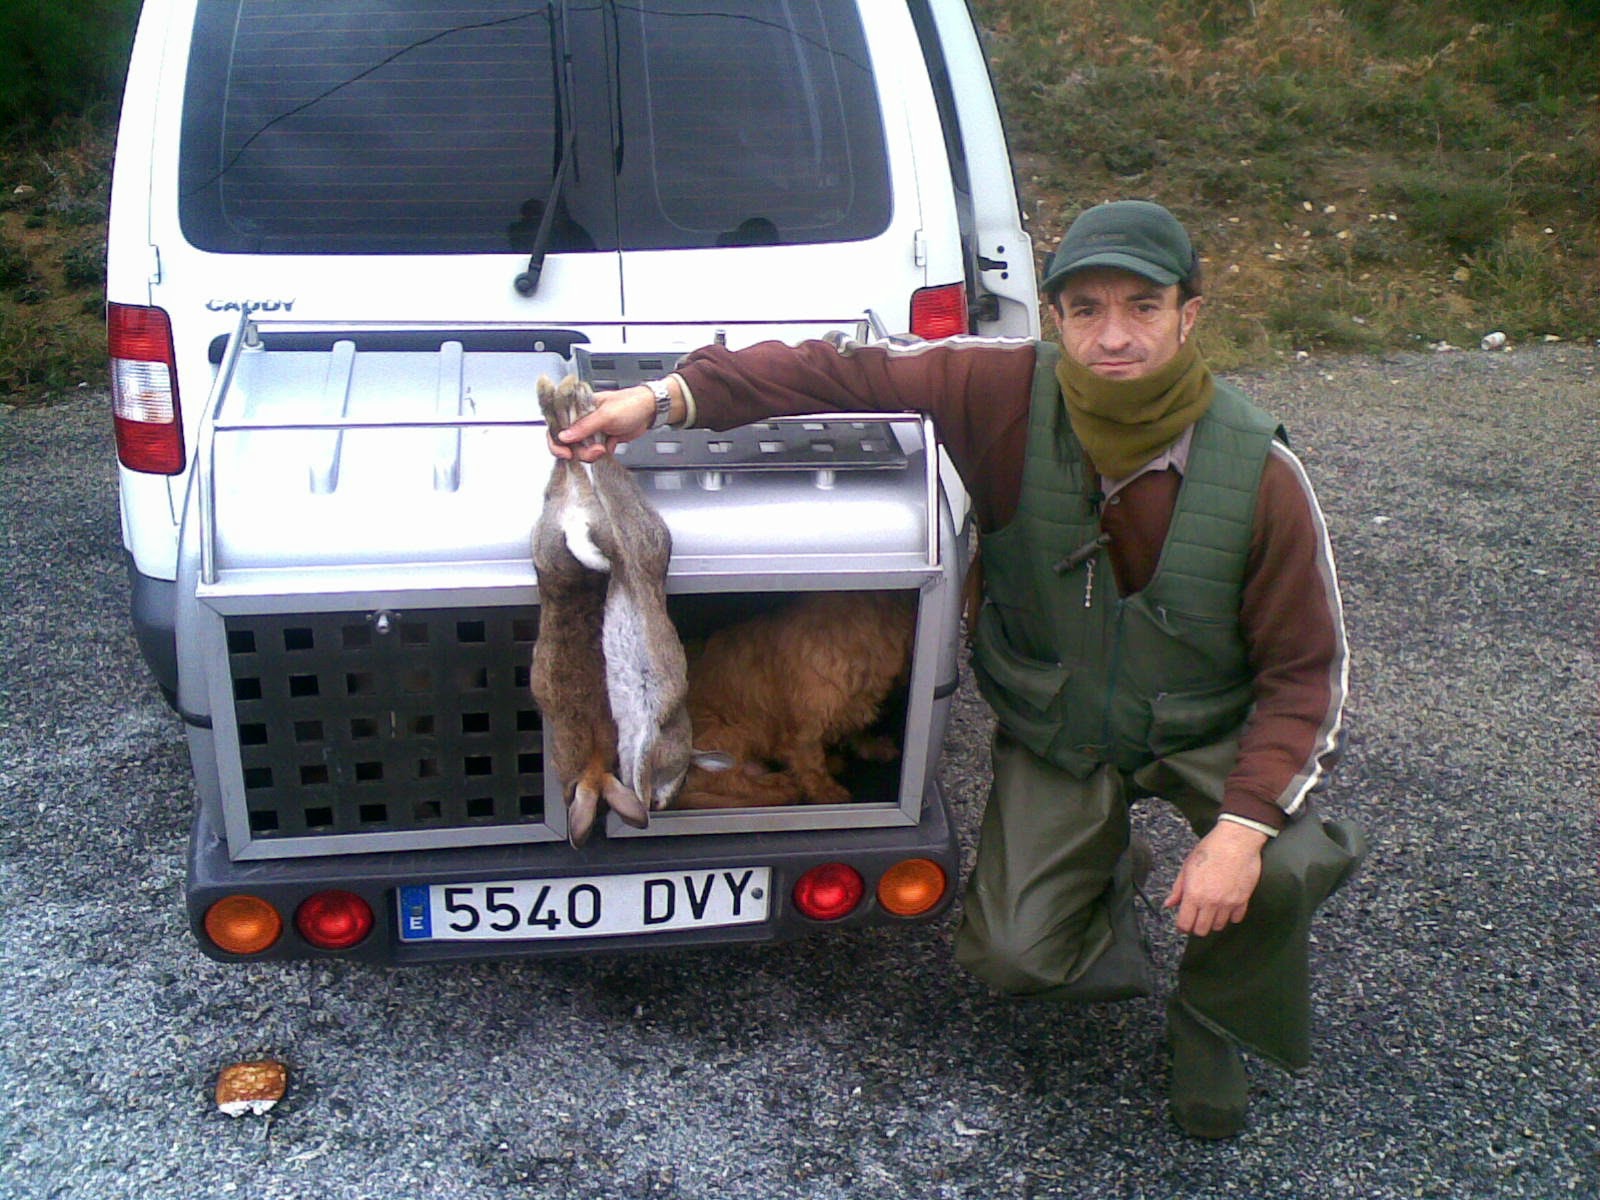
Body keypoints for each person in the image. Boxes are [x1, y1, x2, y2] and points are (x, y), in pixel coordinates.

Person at [553, 200, 1367, 1139]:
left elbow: (1310, 675)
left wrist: (1241, 828)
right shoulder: (1004, 391)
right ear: (1053, 318)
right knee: (1013, 956)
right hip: (1063, 728)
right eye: (1086, 309)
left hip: (1206, 727)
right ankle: (1105, 873)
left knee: (1275, 865)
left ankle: (1213, 1019)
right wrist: (655, 403)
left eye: (1144, 308)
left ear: (1189, 317)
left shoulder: (1262, 473)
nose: (1113, 337)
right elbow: (834, 368)